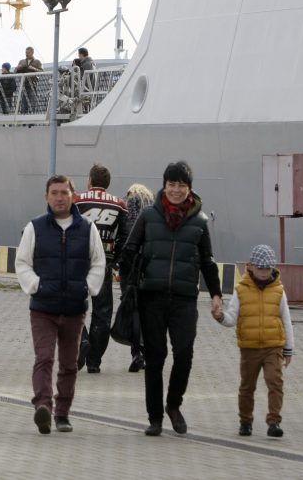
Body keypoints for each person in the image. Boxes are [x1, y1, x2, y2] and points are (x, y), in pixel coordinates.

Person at [119, 161, 224, 436]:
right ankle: (154, 418)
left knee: (184, 354)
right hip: (151, 297)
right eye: (172, 184)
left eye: (181, 185)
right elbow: (129, 250)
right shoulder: (148, 216)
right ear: (164, 186)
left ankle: (173, 405)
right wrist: (128, 284)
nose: (176, 190)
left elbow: (208, 262)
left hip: (184, 299)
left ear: (189, 188)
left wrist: (216, 295)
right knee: (155, 357)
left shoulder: (199, 221)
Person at [16, 175, 107, 434]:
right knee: (44, 357)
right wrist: (37, 285)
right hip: (43, 308)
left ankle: (63, 414)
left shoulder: (88, 229)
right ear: (46, 197)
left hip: (74, 309)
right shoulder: (35, 227)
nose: (59, 197)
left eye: (63, 192)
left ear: (73, 196)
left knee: (69, 364)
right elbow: (22, 262)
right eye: (54, 193)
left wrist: (86, 288)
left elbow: (98, 263)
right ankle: (43, 407)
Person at [214, 245, 294, 438]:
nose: (264, 273)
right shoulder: (240, 291)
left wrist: (289, 349)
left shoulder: (279, 291)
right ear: (251, 267)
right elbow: (232, 318)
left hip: (273, 347)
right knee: (247, 386)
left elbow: (287, 320)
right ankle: (245, 421)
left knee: (275, 382)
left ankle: (274, 422)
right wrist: (220, 317)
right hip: (249, 348)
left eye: (267, 269)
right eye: (260, 268)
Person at [74, 163, 128, 374]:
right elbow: (126, 236)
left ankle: (82, 340)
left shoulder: (78, 200)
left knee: (72, 306)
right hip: (103, 263)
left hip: (78, 262)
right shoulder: (120, 205)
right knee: (102, 311)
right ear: (108, 183)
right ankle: (94, 361)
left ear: (90, 180)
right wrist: (116, 260)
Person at [121, 183, 156, 372]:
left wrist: (122, 262)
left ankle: (137, 353)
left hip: (133, 265)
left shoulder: (131, 203)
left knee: (133, 309)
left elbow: (128, 233)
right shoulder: (155, 208)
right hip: (151, 266)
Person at [15, 46, 43, 114]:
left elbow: (41, 72)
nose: (26, 54)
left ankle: (31, 122)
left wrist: (33, 68)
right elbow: (15, 71)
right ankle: (23, 121)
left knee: (32, 103)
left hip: (32, 84)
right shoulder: (21, 61)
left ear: (32, 52)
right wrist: (17, 68)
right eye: (26, 53)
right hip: (24, 84)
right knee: (23, 104)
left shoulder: (37, 61)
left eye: (28, 52)